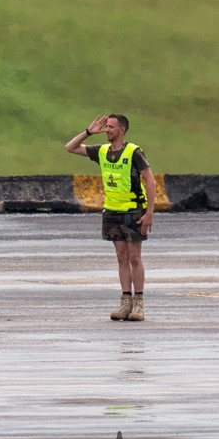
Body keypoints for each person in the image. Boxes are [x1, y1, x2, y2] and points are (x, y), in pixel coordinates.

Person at [65, 114, 159, 322]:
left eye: (111, 127)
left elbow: (150, 182)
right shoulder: (102, 151)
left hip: (133, 211)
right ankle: (125, 302)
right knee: (121, 257)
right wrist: (89, 132)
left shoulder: (133, 152)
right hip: (112, 211)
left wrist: (149, 213)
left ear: (122, 130)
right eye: (106, 127)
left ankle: (139, 303)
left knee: (134, 257)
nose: (107, 130)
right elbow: (70, 147)